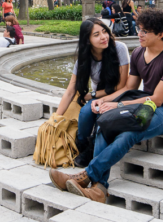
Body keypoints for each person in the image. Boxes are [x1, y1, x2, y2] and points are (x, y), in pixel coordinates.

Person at [50, 9, 163, 202]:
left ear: (161, 34)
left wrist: (117, 106)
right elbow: (129, 87)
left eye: (145, 31)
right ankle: (99, 189)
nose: (140, 34)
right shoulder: (139, 53)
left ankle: (86, 176)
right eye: (140, 29)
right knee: (105, 124)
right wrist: (104, 100)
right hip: (142, 103)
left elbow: (157, 100)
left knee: (130, 133)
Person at [53, 18, 131, 168]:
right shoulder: (84, 58)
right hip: (99, 96)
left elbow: (121, 86)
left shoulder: (119, 48)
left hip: (120, 94)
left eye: (104, 31)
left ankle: (90, 151)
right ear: (87, 40)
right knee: (86, 113)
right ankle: (81, 145)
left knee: (101, 113)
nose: (103, 37)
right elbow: (70, 91)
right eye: (96, 34)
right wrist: (56, 119)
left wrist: (93, 96)